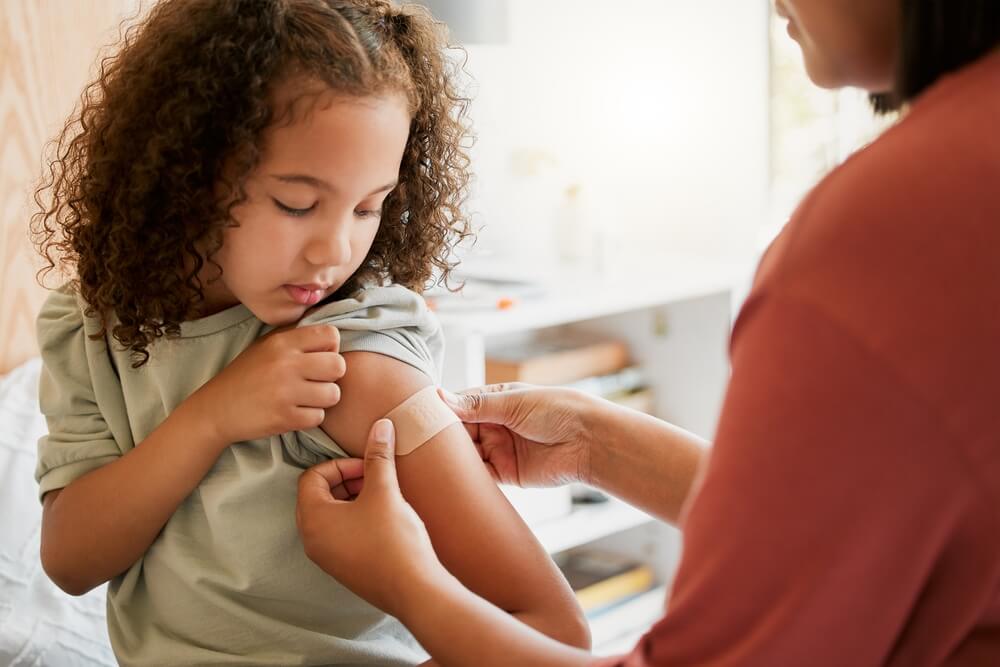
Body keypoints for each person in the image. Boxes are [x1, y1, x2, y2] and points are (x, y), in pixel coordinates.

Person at [295, 0, 1000, 664]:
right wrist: (595, 443)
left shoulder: (887, 235)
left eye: (369, 207)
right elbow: (854, 528)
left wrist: (413, 584)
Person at [30, 1, 590, 665]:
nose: (334, 250)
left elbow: (554, 630)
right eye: (297, 204)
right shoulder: (93, 325)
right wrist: (212, 418)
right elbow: (69, 560)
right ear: (193, 171)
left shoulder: (353, 363)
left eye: (368, 207)